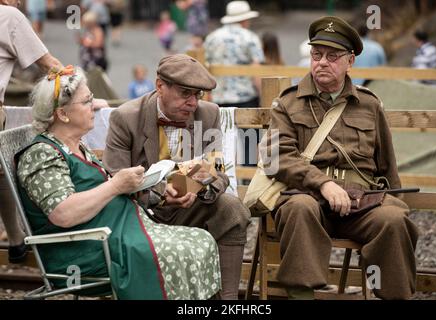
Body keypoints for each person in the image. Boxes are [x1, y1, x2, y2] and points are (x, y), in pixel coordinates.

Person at [16, 66, 221, 300]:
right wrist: (116, 185)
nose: (94, 106)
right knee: (183, 250)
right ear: (62, 114)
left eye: (91, 99)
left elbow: (218, 167)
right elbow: (63, 213)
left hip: (118, 234)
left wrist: (149, 188)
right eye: (86, 102)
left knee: (201, 242)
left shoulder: (76, 146)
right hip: (88, 250)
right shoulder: (42, 154)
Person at [258, 16, 419, 300]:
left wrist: (394, 200)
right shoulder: (288, 103)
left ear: (350, 62)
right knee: (298, 209)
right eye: (316, 54)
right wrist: (323, 184)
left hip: (360, 204)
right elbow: (277, 157)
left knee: (394, 220)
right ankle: (302, 295)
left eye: (332, 56)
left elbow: (387, 165)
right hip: (308, 197)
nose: (322, 62)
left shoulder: (369, 105)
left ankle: (395, 296)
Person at [102, 54, 251, 299]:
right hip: (141, 214)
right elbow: (114, 180)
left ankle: (229, 300)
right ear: (160, 86)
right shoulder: (125, 117)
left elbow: (220, 173)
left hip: (188, 208)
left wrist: (200, 186)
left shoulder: (209, 113)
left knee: (232, 209)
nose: (193, 102)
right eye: (185, 93)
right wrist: (159, 194)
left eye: (198, 94)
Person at [0, 0, 63, 264]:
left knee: (1, 169)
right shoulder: (9, 16)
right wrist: (79, 90)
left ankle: (15, 239)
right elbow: (50, 65)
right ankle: (16, 239)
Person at [204, 0, 264, 108]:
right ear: (245, 20)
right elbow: (256, 70)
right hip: (245, 98)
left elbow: (205, 66)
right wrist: (262, 96)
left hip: (217, 98)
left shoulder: (212, 37)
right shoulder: (250, 37)